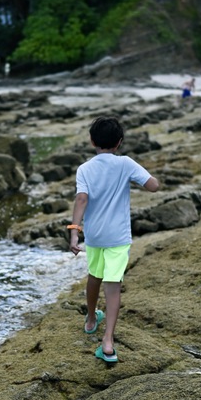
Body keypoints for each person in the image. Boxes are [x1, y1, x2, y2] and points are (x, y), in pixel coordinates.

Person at [68, 115, 160, 363]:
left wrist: (75, 231)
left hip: (95, 236)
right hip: (118, 237)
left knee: (94, 276)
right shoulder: (126, 164)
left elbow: (81, 199)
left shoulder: (85, 169)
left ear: (91, 141)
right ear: (119, 142)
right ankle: (107, 342)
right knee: (113, 285)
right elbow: (153, 186)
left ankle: (90, 320)